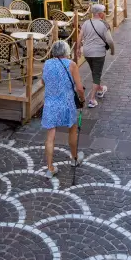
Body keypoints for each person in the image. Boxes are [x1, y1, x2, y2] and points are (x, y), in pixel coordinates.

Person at [41, 40, 86, 176]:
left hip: (50, 103)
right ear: (67, 52)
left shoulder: (47, 64)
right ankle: (74, 158)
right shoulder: (71, 65)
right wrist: (82, 99)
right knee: (72, 130)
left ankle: (50, 168)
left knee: (50, 136)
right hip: (66, 103)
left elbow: (43, 81)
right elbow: (79, 88)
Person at [76, 4, 114, 107]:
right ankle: (92, 99)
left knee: (94, 72)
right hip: (98, 52)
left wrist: (78, 49)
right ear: (100, 14)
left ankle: (100, 88)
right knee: (97, 74)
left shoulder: (86, 23)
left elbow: (80, 36)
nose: (105, 14)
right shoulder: (104, 24)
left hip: (87, 52)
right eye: (104, 12)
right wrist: (113, 50)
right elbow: (110, 40)